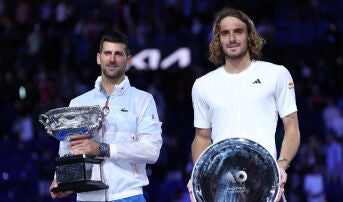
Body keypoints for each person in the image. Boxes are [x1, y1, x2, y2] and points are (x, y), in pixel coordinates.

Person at [187, 8, 300, 202]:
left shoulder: (276, 74)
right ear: (218, 39)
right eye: (225, 33)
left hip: (265, 180)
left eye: (238, 31)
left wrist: (281, 165)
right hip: (224, 185)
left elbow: (292, 127)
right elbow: (201, 137)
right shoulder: (203, 85)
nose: (232, 38)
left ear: (249, 36)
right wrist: (199, 176)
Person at [49, 30, 163, 201]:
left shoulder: (143, 100)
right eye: (107, 53)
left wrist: (104, 149)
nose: (112, 59)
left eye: (118, 54)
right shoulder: (78, 103)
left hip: (128, 196)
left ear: (128, 60)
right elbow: (68, 150)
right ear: (98, 58)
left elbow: (151, 151)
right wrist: (62, 180)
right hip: (88, 198)